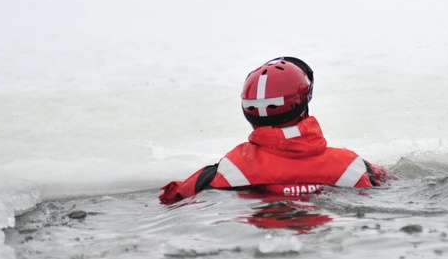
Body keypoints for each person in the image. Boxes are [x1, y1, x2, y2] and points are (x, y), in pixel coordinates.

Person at [159, 57, 390, 204]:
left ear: (248, 112)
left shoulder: (228, 170)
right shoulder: (353, 167)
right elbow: (391, 181)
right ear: (303, 104)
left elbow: (170, 197)